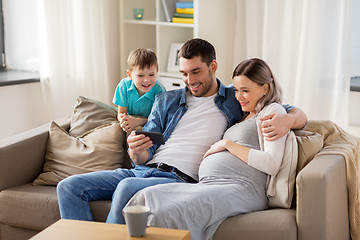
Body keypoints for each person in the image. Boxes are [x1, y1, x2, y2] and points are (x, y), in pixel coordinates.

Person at [56, 39, 307, 225]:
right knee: (68, 187)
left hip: (180, 178)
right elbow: (144, 155)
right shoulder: (167, 100)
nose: (190, 80)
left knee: (126, 187)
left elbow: (289, 109)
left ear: (213, 66)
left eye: (196, 71)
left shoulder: (235, 97)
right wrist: (136, 151)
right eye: (184, 74)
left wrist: (287, 120)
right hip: (145, 169)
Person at [125, 58, 296, 240]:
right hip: (209, 184)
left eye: (245, 91)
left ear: (265, 88)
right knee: (149, 196)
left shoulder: (273, 112)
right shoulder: (244, 114)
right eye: (237, 90)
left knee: (173, 211)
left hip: (241, 188)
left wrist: (226, 144)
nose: (238, 97)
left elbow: (271, 163)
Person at [112, 48, 166, 132]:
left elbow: (159, 120)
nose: (146, 80)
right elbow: (121, 113)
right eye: (141, 75)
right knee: (115, 132)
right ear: (130, 75)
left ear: (157, 72)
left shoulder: (160, 91)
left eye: (151, 75)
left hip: (148, 121)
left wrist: (137, 122)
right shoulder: (123, 85)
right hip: (129, 119)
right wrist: (123, 121)